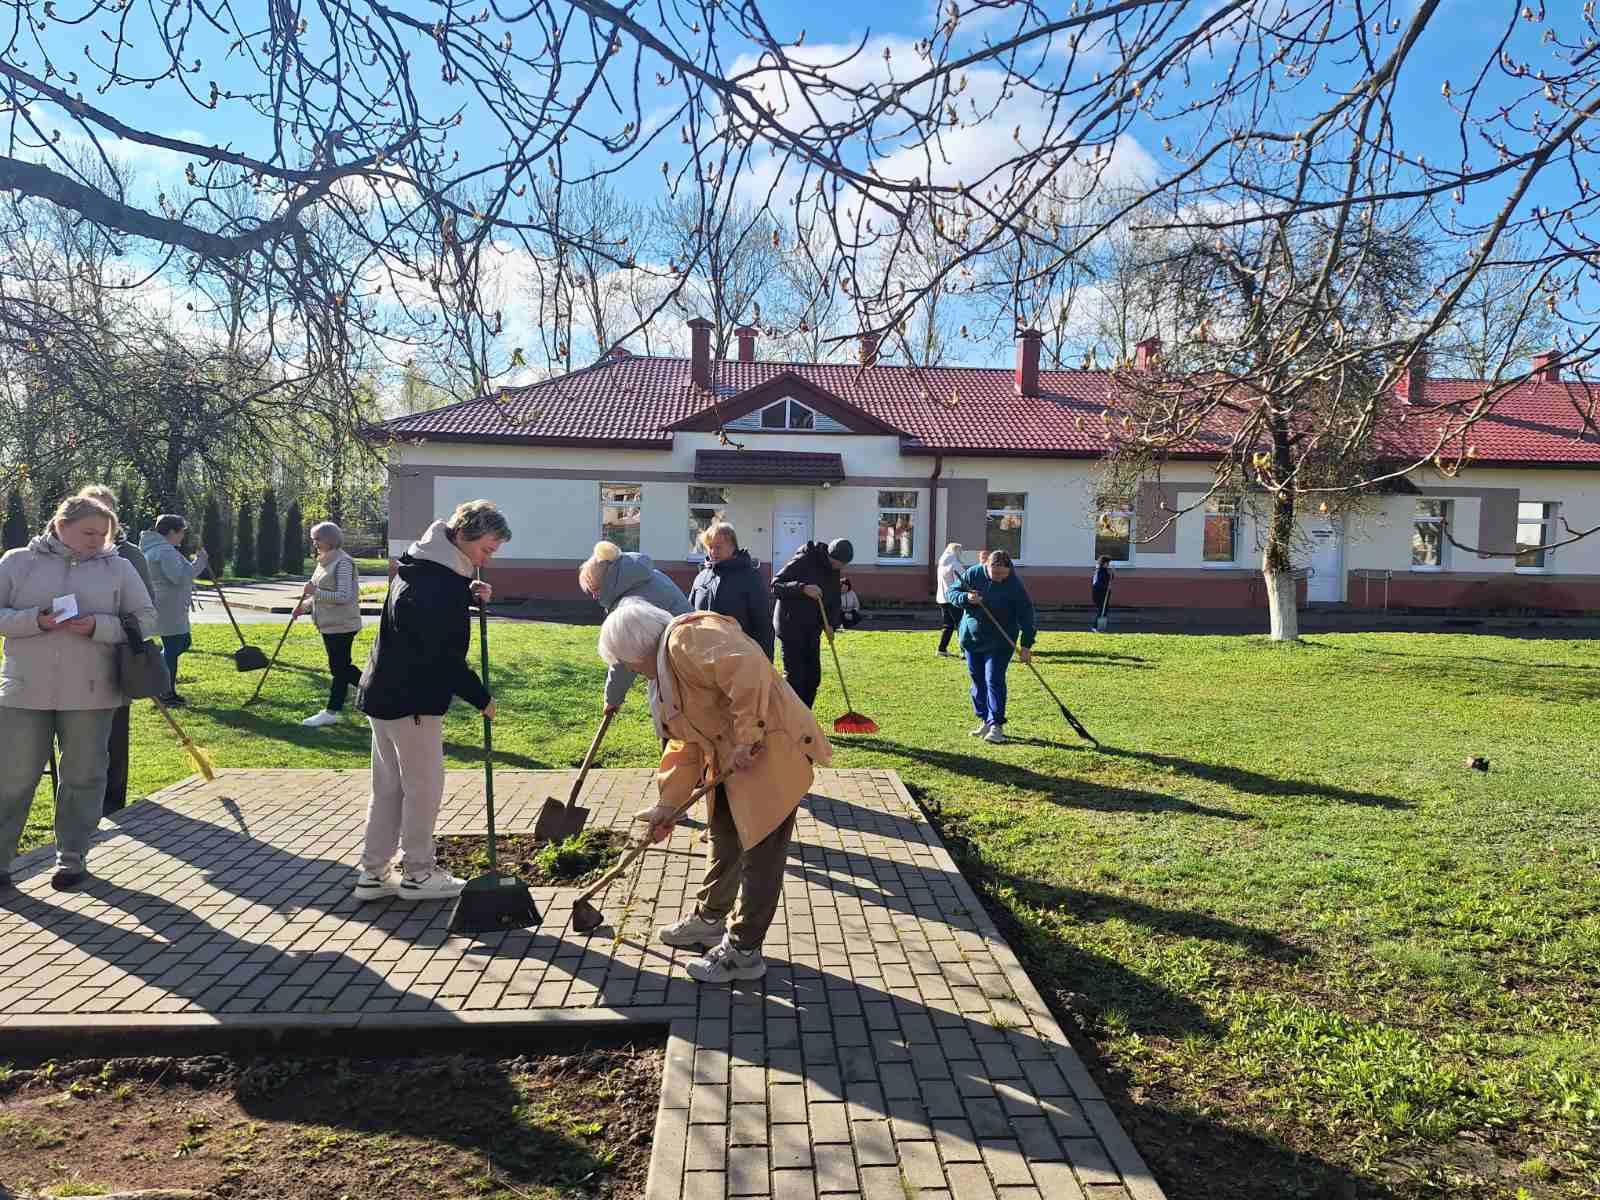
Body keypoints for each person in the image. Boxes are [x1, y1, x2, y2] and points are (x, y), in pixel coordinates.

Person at [596, 599, 832, 983]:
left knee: (761, 853)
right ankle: (709, 919)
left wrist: (748, 736)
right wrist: (668, 805)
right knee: (723, 834)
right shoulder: (668, 676)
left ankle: (744, 951)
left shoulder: (688, 638)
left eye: (628, 663)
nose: (633, 671)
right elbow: (684, 743)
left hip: (770, 749)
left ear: (638, 649)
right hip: (729, 758)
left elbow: (748, 668)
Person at [353, 500, 508, 902]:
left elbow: (426, 620)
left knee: (389, 788)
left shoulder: (421, 566)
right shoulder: (436, 586)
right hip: (413, 699)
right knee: (423, 788)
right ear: (464, 536)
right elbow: (441, 656)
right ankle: (419, 873)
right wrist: (481, 698)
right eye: (486, 549)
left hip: (383, 693)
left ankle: (373, 872)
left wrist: (465, 592)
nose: (487, 559)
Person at [0, 495, 157, 891]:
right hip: (24, 691)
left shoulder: (118, 567)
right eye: (88, 532)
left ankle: (72, 859)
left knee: (84, 776)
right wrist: (36, 620)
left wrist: (98, 627)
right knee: (12, 778)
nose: (97, 541)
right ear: (60, 525)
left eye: (103, 534)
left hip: (92, 692)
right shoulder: (18, 562)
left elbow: (147, 619)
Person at [76, 485, 154, 815]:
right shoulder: (66, 554)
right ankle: (78, 808)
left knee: (114, 737)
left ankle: (111, 806)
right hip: (72, 661)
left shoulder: (129, 556)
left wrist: (107, 624)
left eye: (105, 511)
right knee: (78, 742)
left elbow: (145, 611)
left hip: (115, 659)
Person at [578, 540, 690, 714]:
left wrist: (612, 699)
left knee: (674, 719)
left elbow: (626, 657)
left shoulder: (629, 604)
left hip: (678, 664)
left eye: (594, 589)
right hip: (689, 652)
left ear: (606, 582)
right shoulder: (648, 576)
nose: (594, 596)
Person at [947, 548, 1036, 745]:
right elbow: (952, 593)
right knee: (978, 681)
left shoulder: (1014, 584)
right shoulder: (973, 573)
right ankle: (985, 720)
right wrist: (967, 599)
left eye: (1003, 575)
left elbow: (1026, 614)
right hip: (972, 639)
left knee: (994, 679)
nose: (999, 579)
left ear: (1009, 570)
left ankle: (996, 725)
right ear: (986, 565)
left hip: (1001, 641)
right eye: (995, 574)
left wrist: (1026, 645)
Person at [296, 521, 364, 728]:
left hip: (342, 624)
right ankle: (379, 691)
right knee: (341, 668)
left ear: (330, 539)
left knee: (340, 669)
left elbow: (343, 596)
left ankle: (332, 711)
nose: (314, 543)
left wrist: (314, 592)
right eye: (313, 539)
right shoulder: (324, 560)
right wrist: (303, 607)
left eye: (318, 539)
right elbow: (318, 594)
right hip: (328, 624)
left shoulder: (343, 563)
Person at [770, 537, 852, 708]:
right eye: (836, 563)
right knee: (795, 678)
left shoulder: (834, 569)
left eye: (842, 565)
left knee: (813, 677)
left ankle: (806, 716)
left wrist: (831, 624)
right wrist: (803, 588)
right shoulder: (806, 558)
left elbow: (834, 599)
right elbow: (776, 585)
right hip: (790, 625)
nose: (838, 568)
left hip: (812, 627)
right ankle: (790, 717)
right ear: (829, 555)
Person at [139, 514, 208, 706]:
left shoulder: (158, 548)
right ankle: (166, 692)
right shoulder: (165, 551)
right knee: (174, 646)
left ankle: (158, 676)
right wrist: (200, 562)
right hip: (169, 607)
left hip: (169, 605)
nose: (183, 536)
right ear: (171, 531)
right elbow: (178, 577)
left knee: (182, 643)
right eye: (181, 532)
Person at [688, 522, 774, 660]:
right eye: (710, 547)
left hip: (739, 659)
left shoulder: (750, 577)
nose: (713, 552)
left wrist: (765, 661)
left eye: (718, 547)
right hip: (704, 658)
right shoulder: (701, 577)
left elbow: (763, 623)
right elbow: (689, 615)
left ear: (733, 546)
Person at [935, 542, 965, 656]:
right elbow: (961, 582)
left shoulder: (942, 563)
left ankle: (941, 649)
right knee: (961, 624)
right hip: (953, 598)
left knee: (948, 625)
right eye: (960, 551)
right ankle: (964, 651)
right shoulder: (955, 564)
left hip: (942, 598)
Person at [1091, 554, 1115, 631]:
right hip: (1099, 592)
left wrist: (1112, 574)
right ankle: (1095, 627)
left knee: (1105, 609)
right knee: (1101, 609)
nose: (1108, 564)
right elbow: (1100, 582)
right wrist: (1106, 586)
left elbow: (1110, 578)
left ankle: (1100, 627)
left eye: (1109, 563)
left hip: (1104, 592)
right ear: (1103, 563)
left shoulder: (1105, 570)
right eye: (1107, 563)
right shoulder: (1100, 571)